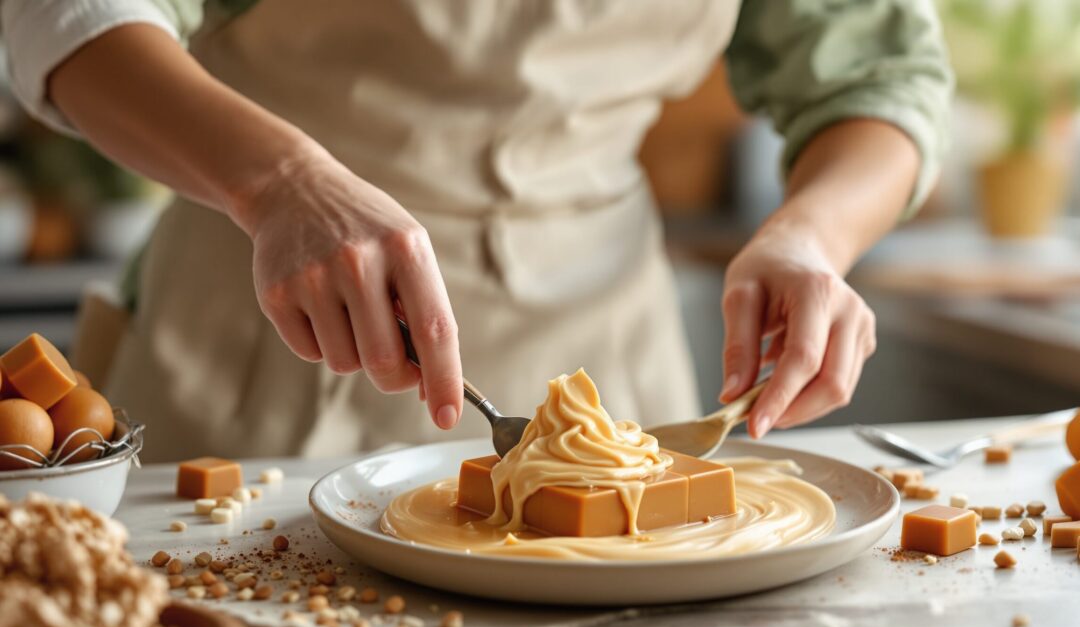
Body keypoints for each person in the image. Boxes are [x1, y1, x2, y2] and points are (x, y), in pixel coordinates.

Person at [1, 1, 950, 461]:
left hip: (613, 349)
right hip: (253, 341)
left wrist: (813, 238)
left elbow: (880, 79)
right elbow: (68, 15)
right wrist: (281, 181)